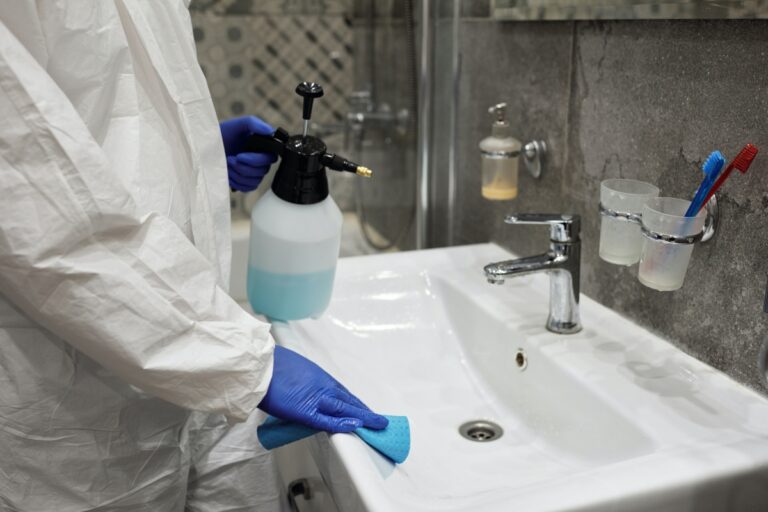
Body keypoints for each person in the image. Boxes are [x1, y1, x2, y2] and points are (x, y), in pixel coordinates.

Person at [0, 2, 386, 511]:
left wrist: (192, 155)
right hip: (72, 404)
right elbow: (37, 205)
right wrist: (250, 366)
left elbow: (103, 105)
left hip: (183, 349)